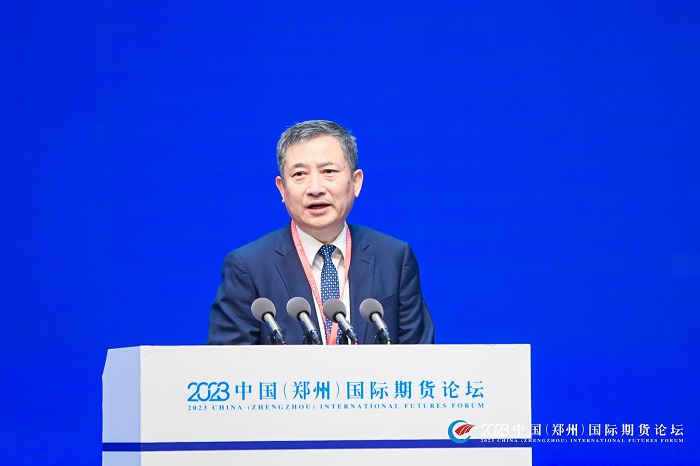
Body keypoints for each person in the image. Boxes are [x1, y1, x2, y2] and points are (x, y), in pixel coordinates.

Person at [207, 120, 433, 345]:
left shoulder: (394, 258)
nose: (315, 188)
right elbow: (228, 362)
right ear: (282, 188)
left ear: (356, 182)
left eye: (328, 171)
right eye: (299, 174)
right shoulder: (248, 266)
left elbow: (421, 357)